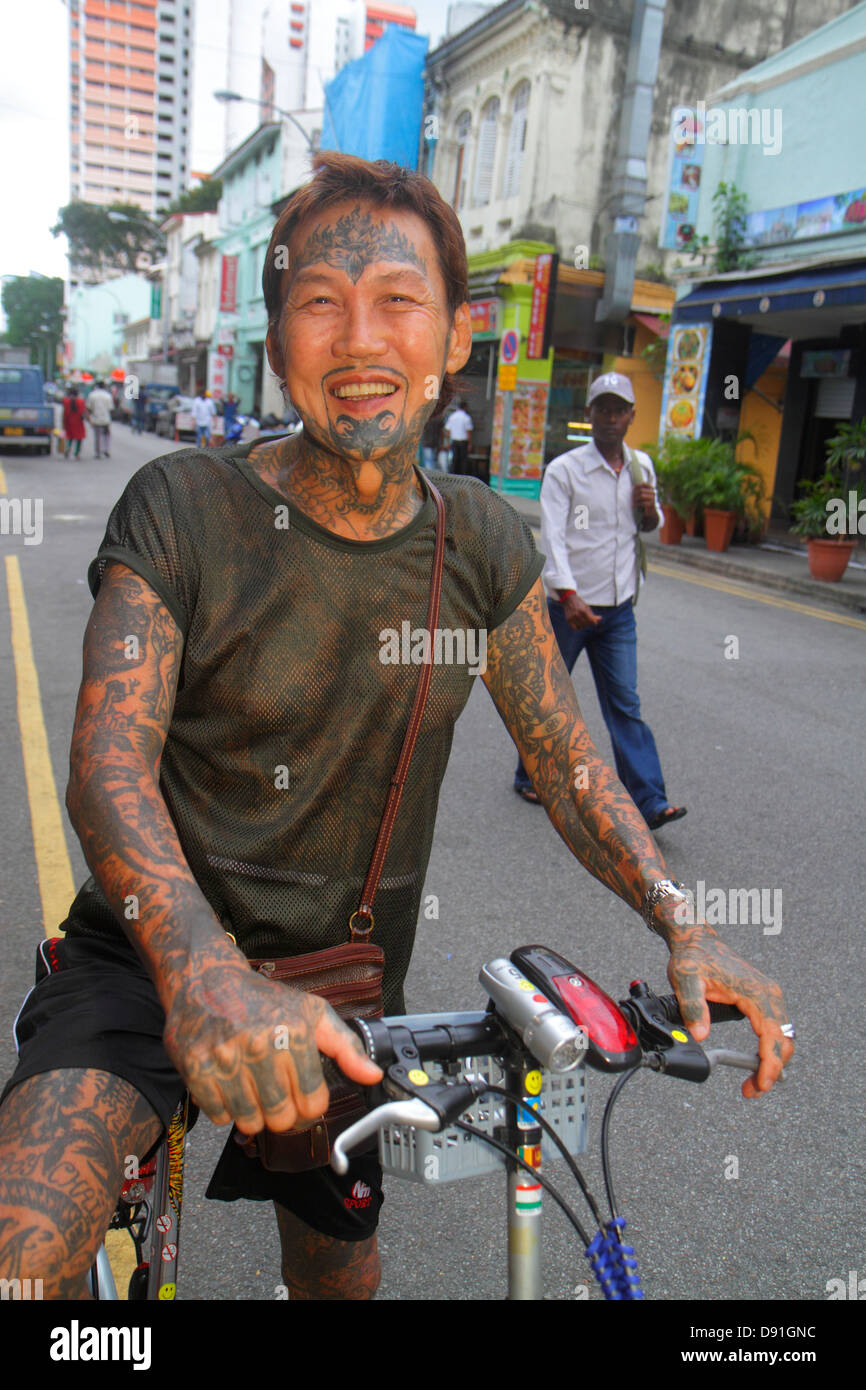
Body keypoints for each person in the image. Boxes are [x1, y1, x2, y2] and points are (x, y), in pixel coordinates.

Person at [0, 154, 792, 1302]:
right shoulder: (182, 506)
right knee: (23, 1251)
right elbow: (106, 763)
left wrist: (683, 921)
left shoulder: (477, 541)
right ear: (277, 345)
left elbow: (565, 762)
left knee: (341, 1281)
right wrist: (202, 973)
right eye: (319, 302)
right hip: (148, 954)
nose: (359, 340)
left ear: (452, 339)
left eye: (396, 302)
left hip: (338, 995)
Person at [513, 372, 685, 831]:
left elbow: (648, 528)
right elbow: (552, 540)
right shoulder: (565, 470)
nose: (610, 418)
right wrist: (566, 595)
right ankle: (528, 773)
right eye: (602, 409)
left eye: (619, 410)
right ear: (589, 415)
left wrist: (648, 508)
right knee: (550, 697)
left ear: (631, 416)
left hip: (618, 611)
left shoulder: (641, 467)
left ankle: (650, 800)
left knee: (625, 704)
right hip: (569, 607)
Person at [444, 398, 473, 474]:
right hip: (463, 441)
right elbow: (468, 432)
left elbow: (447, 430)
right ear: (465, 408)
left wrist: (448, 442)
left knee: (454, 459)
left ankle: (453, 474)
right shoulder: (466, 417)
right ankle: (463, 475)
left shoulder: (452, 417)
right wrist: (470, 443)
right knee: (463, 460)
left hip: (454, 441)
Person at [87, 379, 113, 459]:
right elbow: (110, 408)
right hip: (106, 419)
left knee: (97, 436)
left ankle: (97, 452)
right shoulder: (108, 395)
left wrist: (90, 418)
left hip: (96, 419)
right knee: (106, 435)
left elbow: (89, 408)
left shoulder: (92, 395)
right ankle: (106, 449)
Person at [61, 385, 86, 458]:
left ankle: (68, 448)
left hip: (68, 421)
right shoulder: (81, 401)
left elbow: (64, 412)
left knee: (70, 437)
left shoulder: (66, 401)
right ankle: (77, 453)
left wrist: (63, 423)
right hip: (78, 422)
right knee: (79, 438)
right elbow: (83, 412)